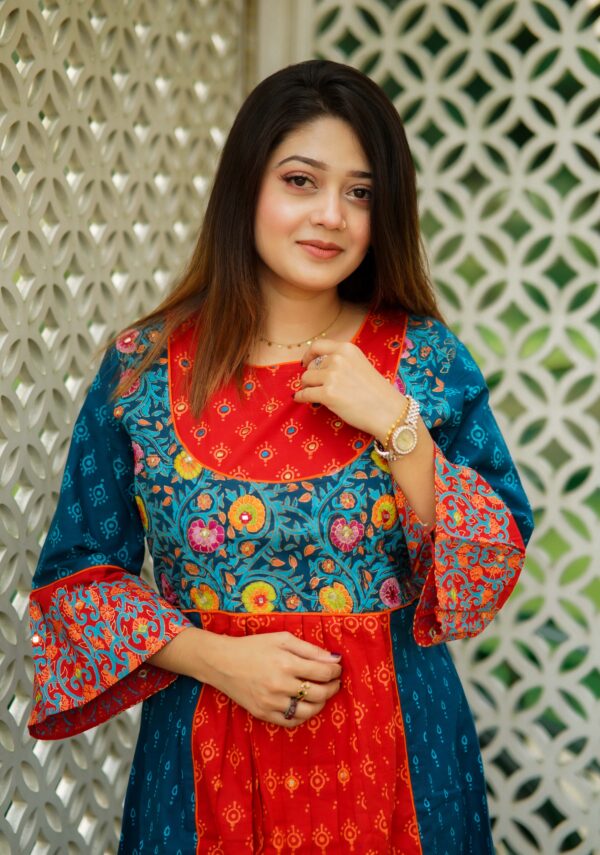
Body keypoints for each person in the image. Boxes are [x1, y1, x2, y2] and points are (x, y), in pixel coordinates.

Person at [28, 59, 533, 854]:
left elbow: (491, 564)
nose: (331, 215)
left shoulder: (424, 361)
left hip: (399, 769)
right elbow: (75, 578)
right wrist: (216, 658)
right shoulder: (142, 369)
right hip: (204, 769)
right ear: (245, 187)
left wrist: (397, 424)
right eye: (301, 180)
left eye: (361, 193)